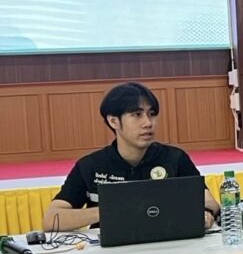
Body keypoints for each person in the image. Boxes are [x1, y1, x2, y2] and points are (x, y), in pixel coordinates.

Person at [43, 82, 220, 232]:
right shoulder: (91, 166)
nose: (148, 123)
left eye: (152, 114)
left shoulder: (175, 158)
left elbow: (210, 203)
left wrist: (206, 213)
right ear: (114, 121)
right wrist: (111, 210)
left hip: (167, 247)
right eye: (137, 115)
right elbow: (52, 220)